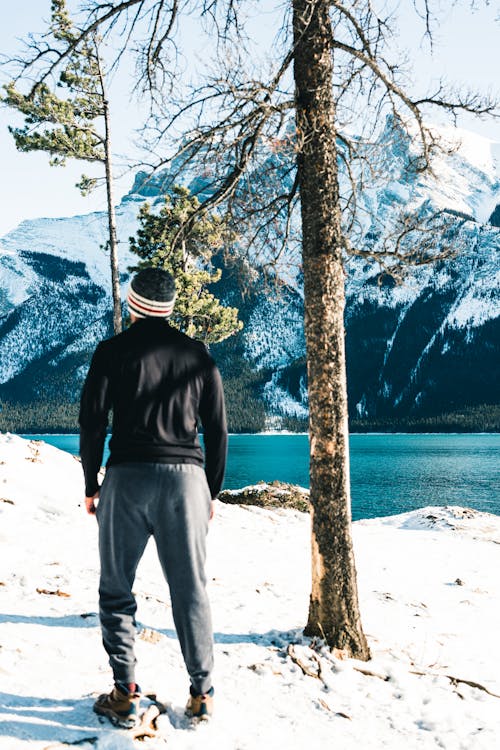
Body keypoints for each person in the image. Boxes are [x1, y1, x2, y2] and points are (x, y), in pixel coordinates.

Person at [79, 267, 227, 727]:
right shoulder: (198, 355)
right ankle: (202, 693)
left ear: (132, 301)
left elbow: (92, 421)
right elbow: (218, 430)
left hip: (126, 478)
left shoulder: (111, 351)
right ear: (170, 306)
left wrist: (90, 483)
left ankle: (124, 692)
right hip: (186, 481)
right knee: (190, 589)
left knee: (116, 587)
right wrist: (211, 491)